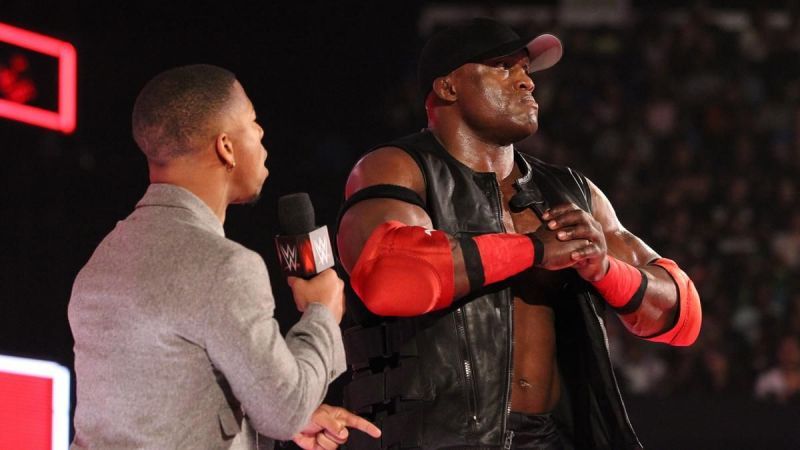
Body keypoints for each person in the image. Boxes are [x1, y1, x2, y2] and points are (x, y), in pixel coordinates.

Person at [335, 18, 702, 449]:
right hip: (433, 438)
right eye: (503, 66)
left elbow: (683, 315)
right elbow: (389, 276)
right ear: (449, 87)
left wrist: (605, 269)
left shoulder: (572, 191)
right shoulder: (397, 167)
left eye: (526, 69)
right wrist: (531, 249)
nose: (527, 82)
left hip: (553, 439)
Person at [68, 64, 380, 449]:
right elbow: (286, 409)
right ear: (226, 146)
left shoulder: (104, 259)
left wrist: (258, 412)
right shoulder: (225, 266)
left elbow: (159, 402)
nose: (262, 132)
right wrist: (322, 315)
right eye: (252, 120)